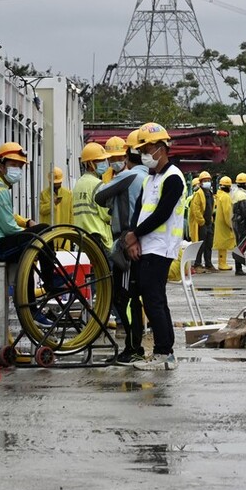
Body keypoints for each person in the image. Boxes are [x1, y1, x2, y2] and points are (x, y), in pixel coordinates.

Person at [121, 122, 186, 371]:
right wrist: (133, 237)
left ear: (161, 147)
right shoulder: (151, 178)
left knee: (154, 300)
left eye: (147, 148)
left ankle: (163, 353)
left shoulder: (173, 178)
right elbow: (140, 210)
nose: (144, 154)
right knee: (154, 299)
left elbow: (161, 214)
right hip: (146, 245)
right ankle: (165, 351)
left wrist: (135, 235)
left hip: (161, 247)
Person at [95, 130, 149, 365]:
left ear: (127, 156)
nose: (114, 162)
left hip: (126, 242)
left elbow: (99, 196)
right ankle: (133, 345)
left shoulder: (127, 177)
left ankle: (133, 347)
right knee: (131, 296)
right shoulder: (147, 176)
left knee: (124, 297)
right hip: (138, 240)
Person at [71, 143, 112, 251]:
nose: (104, 163)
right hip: (97, 236)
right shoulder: (98, 185)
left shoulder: (78, 184)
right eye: (100, 160)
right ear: (90, 163)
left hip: (81, 236)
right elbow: (106, 215)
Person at [188, 170, 216, 273]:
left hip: (208, 223)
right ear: (200, 182)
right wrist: (202, 222)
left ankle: (208, 264)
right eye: (205, 180)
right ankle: (197, 264)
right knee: (200, 244)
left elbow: (210, 207)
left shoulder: (210, 193)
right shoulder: (198, 194)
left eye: (209, 180)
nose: (207, 182)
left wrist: (210, 221)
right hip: (201, 224)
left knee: (209, 244)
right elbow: (196, 209)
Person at [231, 172, 246, 276]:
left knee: (240, 244)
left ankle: (238, 267)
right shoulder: (242, 195)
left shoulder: (236, 193)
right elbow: (245, 212)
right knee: (242, 246)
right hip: (241, 222)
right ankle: (238, 268)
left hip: (236, 221)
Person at [213, 176, 236, 272]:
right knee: (224, 244)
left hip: (219, 223)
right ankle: (222, 264)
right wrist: (231, 225)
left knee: (222, 244)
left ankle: (222, 262)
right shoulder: (226, 197)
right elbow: (227, 213)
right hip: (224, 224)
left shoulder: (219, 195)